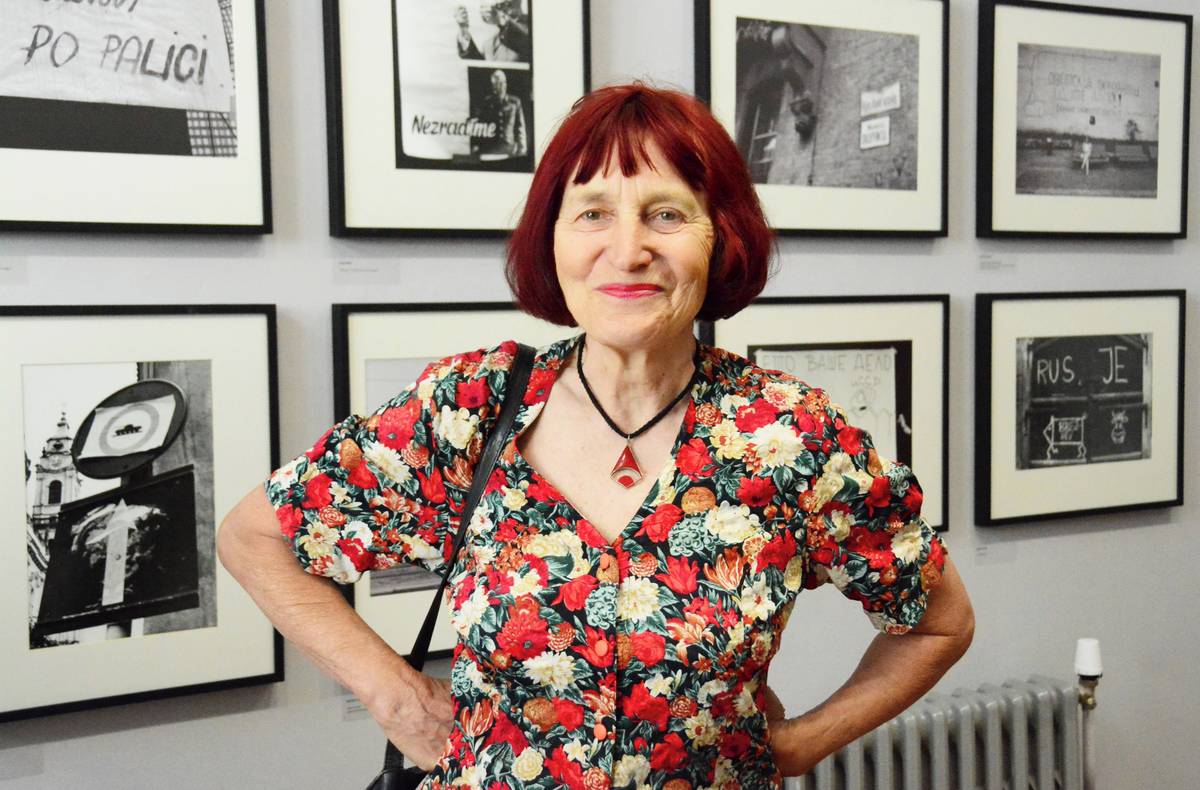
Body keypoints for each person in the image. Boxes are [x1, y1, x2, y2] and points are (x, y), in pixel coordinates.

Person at [218, 83, 973, 788]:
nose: (628, 248)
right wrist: (396, 697)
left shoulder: (789, 435)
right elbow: (255, 537)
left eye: (667, 214)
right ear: (552, 238)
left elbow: (939, 625)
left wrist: (805, 741)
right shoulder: (471, 411)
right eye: (592, 213)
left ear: (721, 236)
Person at [471, 69, 527, 159]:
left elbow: (520, 127)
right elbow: (479, 125)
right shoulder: (487, 103)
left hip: (510, 150)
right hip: (491, 150)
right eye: (494, 84)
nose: (496, 87)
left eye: (499, 83)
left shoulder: (515, 102)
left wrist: (522, 149)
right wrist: (476, 145)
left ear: (505, 84)